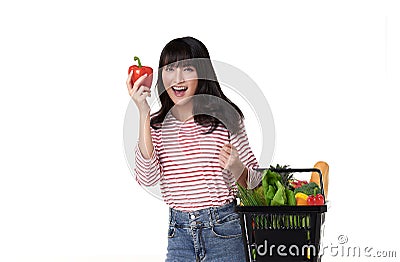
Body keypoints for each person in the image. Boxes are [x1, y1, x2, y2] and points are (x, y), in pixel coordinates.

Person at [126, 36, 261, 262]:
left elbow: (256, 182)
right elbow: (147, 178)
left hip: (224, 232)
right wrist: (143, 112)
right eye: (170, 68)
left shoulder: (226, 118)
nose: (177, 78)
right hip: (179, 234)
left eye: (187, 68)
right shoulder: (156, 127)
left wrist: (237, 166)